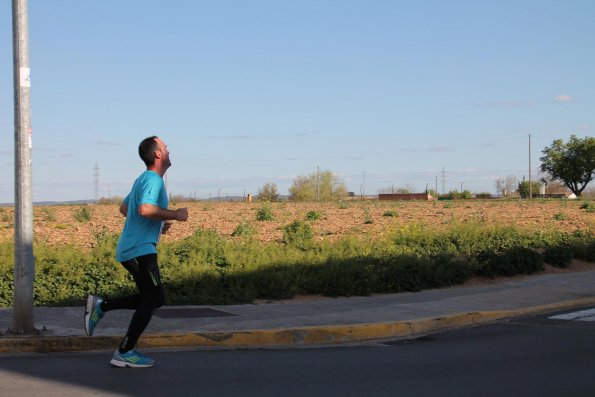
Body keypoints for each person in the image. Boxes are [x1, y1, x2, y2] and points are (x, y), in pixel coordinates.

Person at [84, 136, 188, 368]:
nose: (169, 150)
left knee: (154, 298)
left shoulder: (143, 179)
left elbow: (125, 208)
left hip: (134, 248)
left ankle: (102, 306)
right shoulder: (153, 181)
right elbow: (144, 208)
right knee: (152, 299)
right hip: (139, 251)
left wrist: (157, 224)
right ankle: (124, 351)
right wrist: (175, 215)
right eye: (165, 147)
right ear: (158, 154)